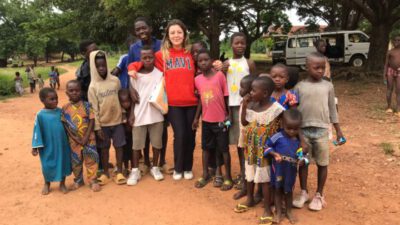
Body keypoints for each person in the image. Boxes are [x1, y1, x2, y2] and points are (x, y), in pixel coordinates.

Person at [128, 19, 198, 181]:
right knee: (180, 135)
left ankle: (188, 167)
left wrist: (217, 64)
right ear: (167, 35)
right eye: (172, 32)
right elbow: (143, 63)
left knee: (190, 136)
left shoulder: (191, 53)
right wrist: (132, 68)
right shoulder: (161, 55)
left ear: (185, 34)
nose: (176, 35)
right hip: (173, 103)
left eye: (179, 32)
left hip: (192, 102)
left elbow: (204, 64)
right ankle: (178, 167)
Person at [293, 52, 345, 211]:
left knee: (323, 163)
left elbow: (332, 109)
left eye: (323, 68)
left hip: (322, 130)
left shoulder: (328, 86)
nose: (320, 71)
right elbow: (294, 111)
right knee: (303, 162)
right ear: (307, 67)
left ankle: (319, 194)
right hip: (303, 132)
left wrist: (338, 130)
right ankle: (303, 192)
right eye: (316, 68)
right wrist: (296, 132)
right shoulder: (299, 87)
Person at [234, 76, 284, 225]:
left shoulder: (276, 109)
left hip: (266, 150)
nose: (250, 92)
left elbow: (285, 125)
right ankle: (250, 199)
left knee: (264, 179)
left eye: (254, 90)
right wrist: (245, 105)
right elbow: (244, 122)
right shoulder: (252, 106)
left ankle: (267, 209)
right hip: (251, 147)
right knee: (249, 174)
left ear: (265, 93)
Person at [125, 17, 170, 174]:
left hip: (160, 90)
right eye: (138, 30)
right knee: (143, 129)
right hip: (141, 91)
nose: (141, 31)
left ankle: (161, 161)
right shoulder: (133, 48)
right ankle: (144, 162)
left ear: (150, 28)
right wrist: (130, 90)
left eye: (144, 28)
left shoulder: (161, 45)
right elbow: (130, 69)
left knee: (160, 129)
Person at [192, 49, 232, 190]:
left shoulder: (220, 76)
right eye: (200, 61)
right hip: (206, 121)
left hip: (221, 119)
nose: (203, 63)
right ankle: (205, 174)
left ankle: (227, 177)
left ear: (211, 61)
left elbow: (226, 95)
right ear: (197, 64)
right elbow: (200, 101)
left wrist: (228, 114)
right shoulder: (197, 80)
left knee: (223, 149)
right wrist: (196, 118)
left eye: (206, 60)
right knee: (206, 148)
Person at [222, 32, 257, 189]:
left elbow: (256, 84)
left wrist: (250, 100)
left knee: (245, 141)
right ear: (231, 44)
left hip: (245, 106)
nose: (240, 46)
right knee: (237, 141)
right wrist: (222, 70)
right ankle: (243, 172)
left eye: (243, 43)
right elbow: (222, 83)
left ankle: (247, 174)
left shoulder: (249, 63)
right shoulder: (226, 63)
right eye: (237, 43)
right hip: (231, 106)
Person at [127, 46, 165, 185]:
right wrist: (131, 113)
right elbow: (133, 97)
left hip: (156, 114)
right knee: (136, 145)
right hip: (139, 114)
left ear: (154, 58)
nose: (148, 60)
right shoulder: (135, 75)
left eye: (150, 57)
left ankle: (155, 167)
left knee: (156, 144)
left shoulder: (160, 73)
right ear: (140, 59)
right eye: (145, 58)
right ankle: (135, 170)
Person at [88, 50, 126, 185]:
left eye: (103, 65)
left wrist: (124, 116)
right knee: (104, 149)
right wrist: (97, 127)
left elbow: (121, 99)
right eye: (98, 66)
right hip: (103, 125)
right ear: (94, 67)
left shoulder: (115, 81)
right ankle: (105, 172)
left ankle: (119, 170)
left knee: (119, 146)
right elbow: (93, 109)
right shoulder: (93, 87)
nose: (102, 68)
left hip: (117, 121)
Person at [264, 109, 303, 224]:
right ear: (283, 124)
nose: (292, 131)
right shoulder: (277, 136)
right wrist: (274, 153)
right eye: (289, 128)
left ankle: (289, 212)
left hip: (290, 171)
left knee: (288, 191)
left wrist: (302, 160)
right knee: (277, 190)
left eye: (295, 129)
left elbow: (303, 155)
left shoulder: (298, 140)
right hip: (278, 170)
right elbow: (266, 147)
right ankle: (279, 212)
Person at [61, 80, 100, 192]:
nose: (74, 93)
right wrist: (75, 138)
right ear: (67, 93)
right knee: (76, 162)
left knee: (91, 160)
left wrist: (86, 137)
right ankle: (78, 180)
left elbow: (92, 121)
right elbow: (65, 125)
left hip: (89, 140)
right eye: (71, 91)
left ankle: (93, 180)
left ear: (81, 91)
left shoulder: (87, 106)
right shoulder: (65, 108)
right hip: (74, 142)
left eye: (77, 90)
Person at [32, 88, 71, 195]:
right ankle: (47, 183)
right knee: (47, 164)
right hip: (47, 146)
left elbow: (67, 126)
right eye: (51, 99)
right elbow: (37, 130)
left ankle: (62, 184)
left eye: (56, 98)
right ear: (42, 100)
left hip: (61, 144)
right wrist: (35, 147)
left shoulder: (60, 112)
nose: (55, 101)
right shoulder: (40, 115)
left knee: (62, 162)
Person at [233, 74, 257, 200]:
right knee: (246, 163)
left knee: (253, 165)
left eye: (242, 87)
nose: (239, 90)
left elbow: (246, 122)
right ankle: (246, 188)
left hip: (252, 140)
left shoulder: (253, 104)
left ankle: (255, 191)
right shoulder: (243, 101)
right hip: (244, 137)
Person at [118, 89, 133, 176]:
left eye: (127, 101)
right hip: (123, 136)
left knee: (132, 152)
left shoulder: (132, 110)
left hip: (131, 136)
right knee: (124, 153)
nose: (125, 104)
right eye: (123, 102)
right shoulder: (119, 111)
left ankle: (134, 168)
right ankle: (126, 168)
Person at [384, 35, 400, 115]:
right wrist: (384, 74)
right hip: (390, 71)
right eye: (395, 40)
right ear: (392, 42)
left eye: (398, 40)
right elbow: (386, 64)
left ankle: (398, 109)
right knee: (389, 89)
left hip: (399, 72)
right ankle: (389, 107)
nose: (396, 42)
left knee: (398, 90)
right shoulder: (390, 51)